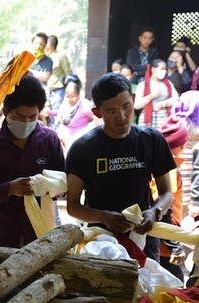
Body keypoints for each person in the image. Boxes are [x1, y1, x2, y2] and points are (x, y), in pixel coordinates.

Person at [66, 72, 176, 263]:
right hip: (99, 240)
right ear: (97, 112)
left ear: (133, 99)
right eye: (111, 111)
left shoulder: (151, 140)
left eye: (126, 106)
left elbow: (167, 193)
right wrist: (104, 217)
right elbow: (73, 206)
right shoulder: (83, 148)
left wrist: (155, 212)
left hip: (144, 234)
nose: (122, 117)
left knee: (150, 290)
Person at [0, 74, 65, 248]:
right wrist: (10, 189)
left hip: (42, 234)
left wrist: (51, 187)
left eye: (33, 117)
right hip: (3, 235)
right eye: (20, 117)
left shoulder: (50, 140)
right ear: (6, 112)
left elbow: (63, 186)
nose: (27, 122)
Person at [154, 117, 189, 280]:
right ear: (181, 145)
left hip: (161, 239)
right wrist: (174, 246)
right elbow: (163, 210)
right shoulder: (170, 171)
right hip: (164, 243)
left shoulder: (161, 167)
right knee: (174, 284)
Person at [55, 75, 96, 153]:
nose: (70, 99)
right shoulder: (65, 103)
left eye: (73, 96)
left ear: (78, 95)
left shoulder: (85, 105)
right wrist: (49, 112)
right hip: (62, 138)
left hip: (77, 142)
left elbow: (95, 118)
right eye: (68, 96)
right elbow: (60, 113)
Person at [134, 59, 178, 128]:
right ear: (153, 70)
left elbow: (176, 99)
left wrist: (163, 104)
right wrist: (150, 96)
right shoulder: (143, 85)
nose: (164, 71)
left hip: (164, 119)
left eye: (165, 69)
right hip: (146, 120)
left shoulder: (168, 84)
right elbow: (136, 105)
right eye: (162, 69)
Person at [45, 34, 73, 113]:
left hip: (58, 91)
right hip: (47, 90)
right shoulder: (45, 58)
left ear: (49, 45)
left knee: (56, 113)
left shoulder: (61, 56)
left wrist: (70, 88)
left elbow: (68, 73)